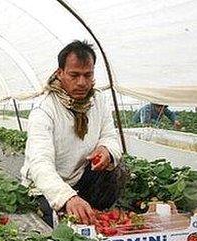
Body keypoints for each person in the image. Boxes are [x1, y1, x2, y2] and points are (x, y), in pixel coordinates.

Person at [20, 40, 126, 227]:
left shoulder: (98, 101)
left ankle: (94, 213)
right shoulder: (45, 109)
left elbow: (110, 136)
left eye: (88, 75)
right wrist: (66, 197)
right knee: (52, 223)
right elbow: (39, 163)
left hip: (80, 178)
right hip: (46, 187)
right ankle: (76, 210)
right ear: (60, 73)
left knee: (117, 170)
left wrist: (106, 150)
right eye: (74, 75)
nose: (82, 82)